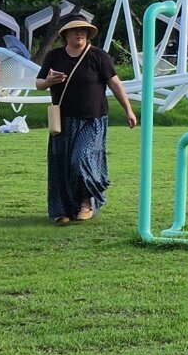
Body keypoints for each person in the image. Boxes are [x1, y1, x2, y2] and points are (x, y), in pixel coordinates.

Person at [35, 16, 137, 226]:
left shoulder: (98, 56)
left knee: (80, 159)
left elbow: (115, 84)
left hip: (92, 119)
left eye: (83, 30)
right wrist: (49, 81)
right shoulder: (54, 56)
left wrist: (128, 109)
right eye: (75, 31)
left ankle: (86, 204)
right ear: (65, 35)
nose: (80, 33)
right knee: (60, 166)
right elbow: (39, 83)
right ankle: (62, 210)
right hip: (62, 121)